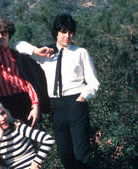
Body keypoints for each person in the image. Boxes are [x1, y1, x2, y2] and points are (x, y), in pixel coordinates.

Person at [14, 13, 100, 169]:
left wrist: (83, 97)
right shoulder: (47, 53)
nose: (68, 36)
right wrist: (36, 51)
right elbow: (18, 45)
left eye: (71, 32)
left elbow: (93, 82)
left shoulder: (81, 52)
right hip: (56, 106)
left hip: (76, 103)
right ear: (56, 32)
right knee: (65, 154)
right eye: (63, 32)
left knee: (82, 154)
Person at [0, 17, 53, 127]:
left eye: (4, 33)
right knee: (7, 140)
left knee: (29, 138)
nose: (1, 36)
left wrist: (35, 104)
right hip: (2, 103)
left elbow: (26, 82)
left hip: (23, 99)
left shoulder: (16, 54)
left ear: (9, 33)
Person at [0, 99, 55, 169]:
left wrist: (36, 163)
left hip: (30, 167)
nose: (2, 118)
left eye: (3, 113)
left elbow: (48, 139)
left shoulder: (18, 127)